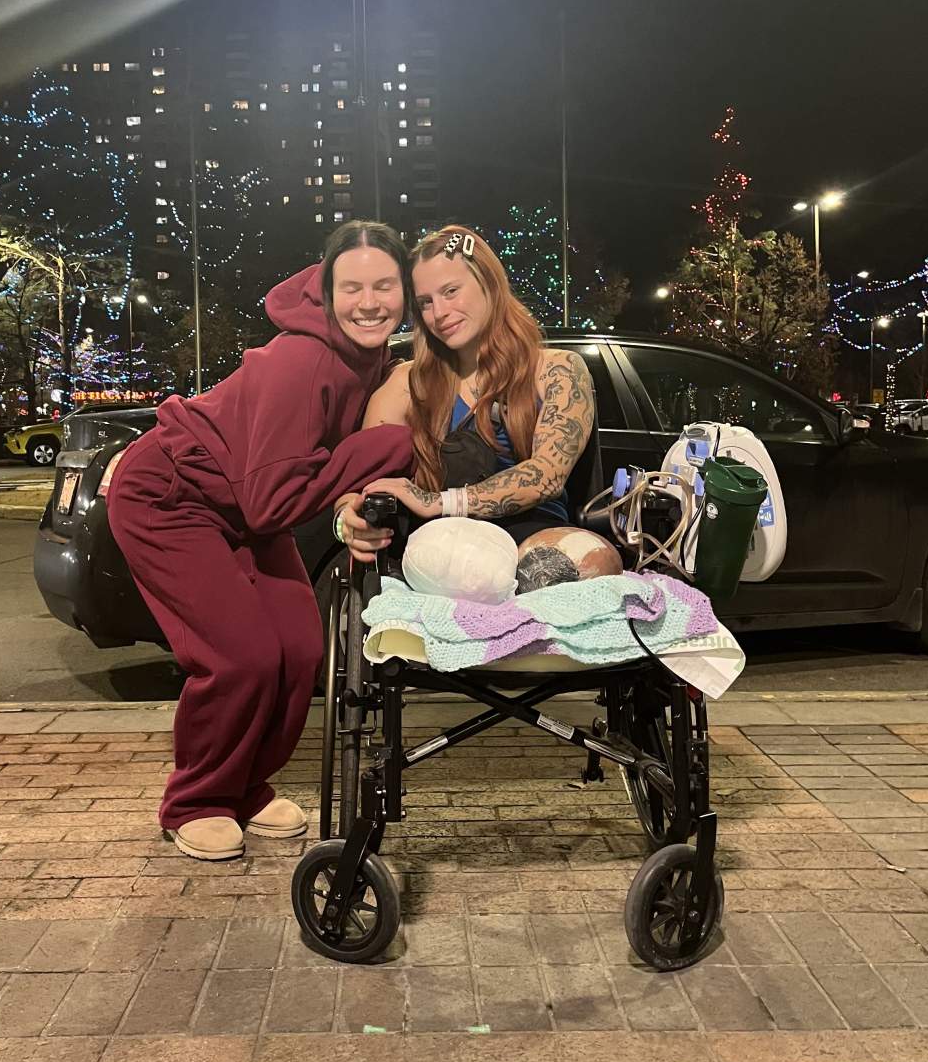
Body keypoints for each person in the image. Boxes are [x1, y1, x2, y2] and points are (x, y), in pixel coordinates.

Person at [107, 221, 414, 861]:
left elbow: (300, 481)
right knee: (240, 655)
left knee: (301, 649)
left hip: (240, 509)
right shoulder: (303, 359)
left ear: (404, 292)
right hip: (169, 496)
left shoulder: (372, 359)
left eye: (384, 285)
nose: (369, 302)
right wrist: (388, 443)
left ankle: (244, 787)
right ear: (326, 290)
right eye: (351, 286)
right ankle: (195, 799)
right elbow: (274, 497)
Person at [336, 224, 595, 562]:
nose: (439, 313)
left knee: (596, 557)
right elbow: (356, 488)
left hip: (539, 547)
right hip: (441, 551)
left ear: (488, 282)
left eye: (451, 291)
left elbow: (547, 475)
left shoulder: (557, 369)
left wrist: (437, 502)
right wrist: (347, 522)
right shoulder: (406, 384)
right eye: (426, 302)